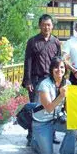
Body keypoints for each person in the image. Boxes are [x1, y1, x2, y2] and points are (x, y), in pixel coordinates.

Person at [22, 14, 61, 146]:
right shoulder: (32, 41)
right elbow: (27, 62)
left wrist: (59, 80)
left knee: (52, 107)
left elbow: (58, 63)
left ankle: (52, 134)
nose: (46, 27)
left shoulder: (56, 42)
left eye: (49, 24)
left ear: (52, 26)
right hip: (36, 79)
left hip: (51, 80)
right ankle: (31, 135)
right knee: (35, 107)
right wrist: (28, 81)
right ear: (40, 25)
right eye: (44, 24)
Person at [31, 57, 76, 154]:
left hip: (56, 119)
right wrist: (61, 96)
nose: (59, 70)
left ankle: (65, 153)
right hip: (41, 121)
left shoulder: (68, 84)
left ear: (65, 69)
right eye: (56, 67)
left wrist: (72, 118)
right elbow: (49, 108)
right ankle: (35, 141)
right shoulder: (44, 84)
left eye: (62, 67)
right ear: (51, 69)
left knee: (74, 126)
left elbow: (68, 105)